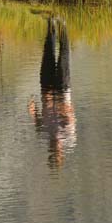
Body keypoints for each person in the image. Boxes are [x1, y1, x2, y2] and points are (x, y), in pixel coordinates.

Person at [28, 17, 76, 169]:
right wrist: (56, 104)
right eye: (56, 152)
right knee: (64, 55)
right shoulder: (69, 138)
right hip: (62, 90)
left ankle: (51, 24)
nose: (54, 148)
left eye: (52, 151)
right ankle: (63, 25)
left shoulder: (43, 135)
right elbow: (70, 113)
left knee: (48, 53)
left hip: (47, 90)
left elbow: (36, 119)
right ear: (60, 152)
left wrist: (32, 109)